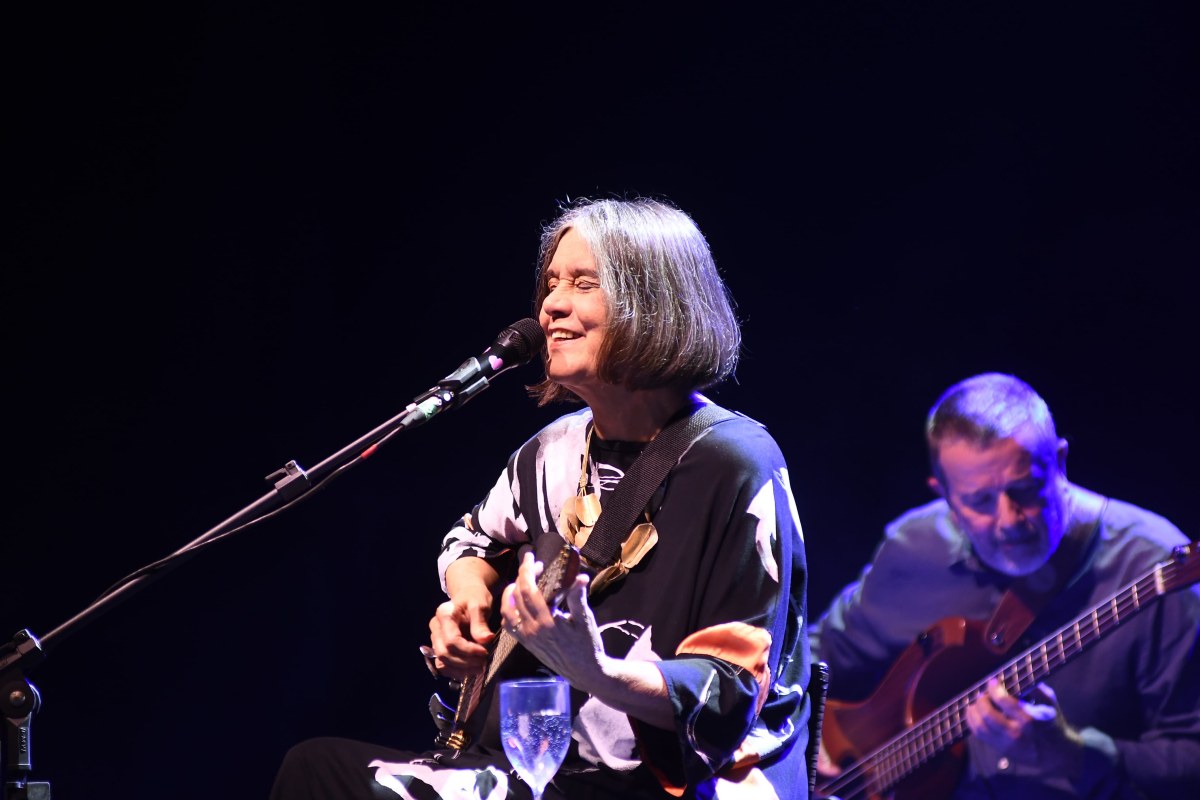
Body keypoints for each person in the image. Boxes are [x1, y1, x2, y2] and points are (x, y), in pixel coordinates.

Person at [270, 197, 813, 799]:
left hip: (677, 785)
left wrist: (595, 670)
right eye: (552, 283)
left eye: (583, 283)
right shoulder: (550, 451)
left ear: (653, 305)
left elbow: (731, 689)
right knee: (315, 768)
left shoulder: (735, 463)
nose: (552, 303)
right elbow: (470, 540)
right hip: (547, 770)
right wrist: (469, 601)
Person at [810, 373, 1200, 799]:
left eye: (1026, 489)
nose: (1010, 520)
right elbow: (811, 658)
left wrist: (1074, 754)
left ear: (1061, 461)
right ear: (944, 495)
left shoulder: (1153, 566)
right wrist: (807, 740)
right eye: (979, 501)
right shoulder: (913, 548)